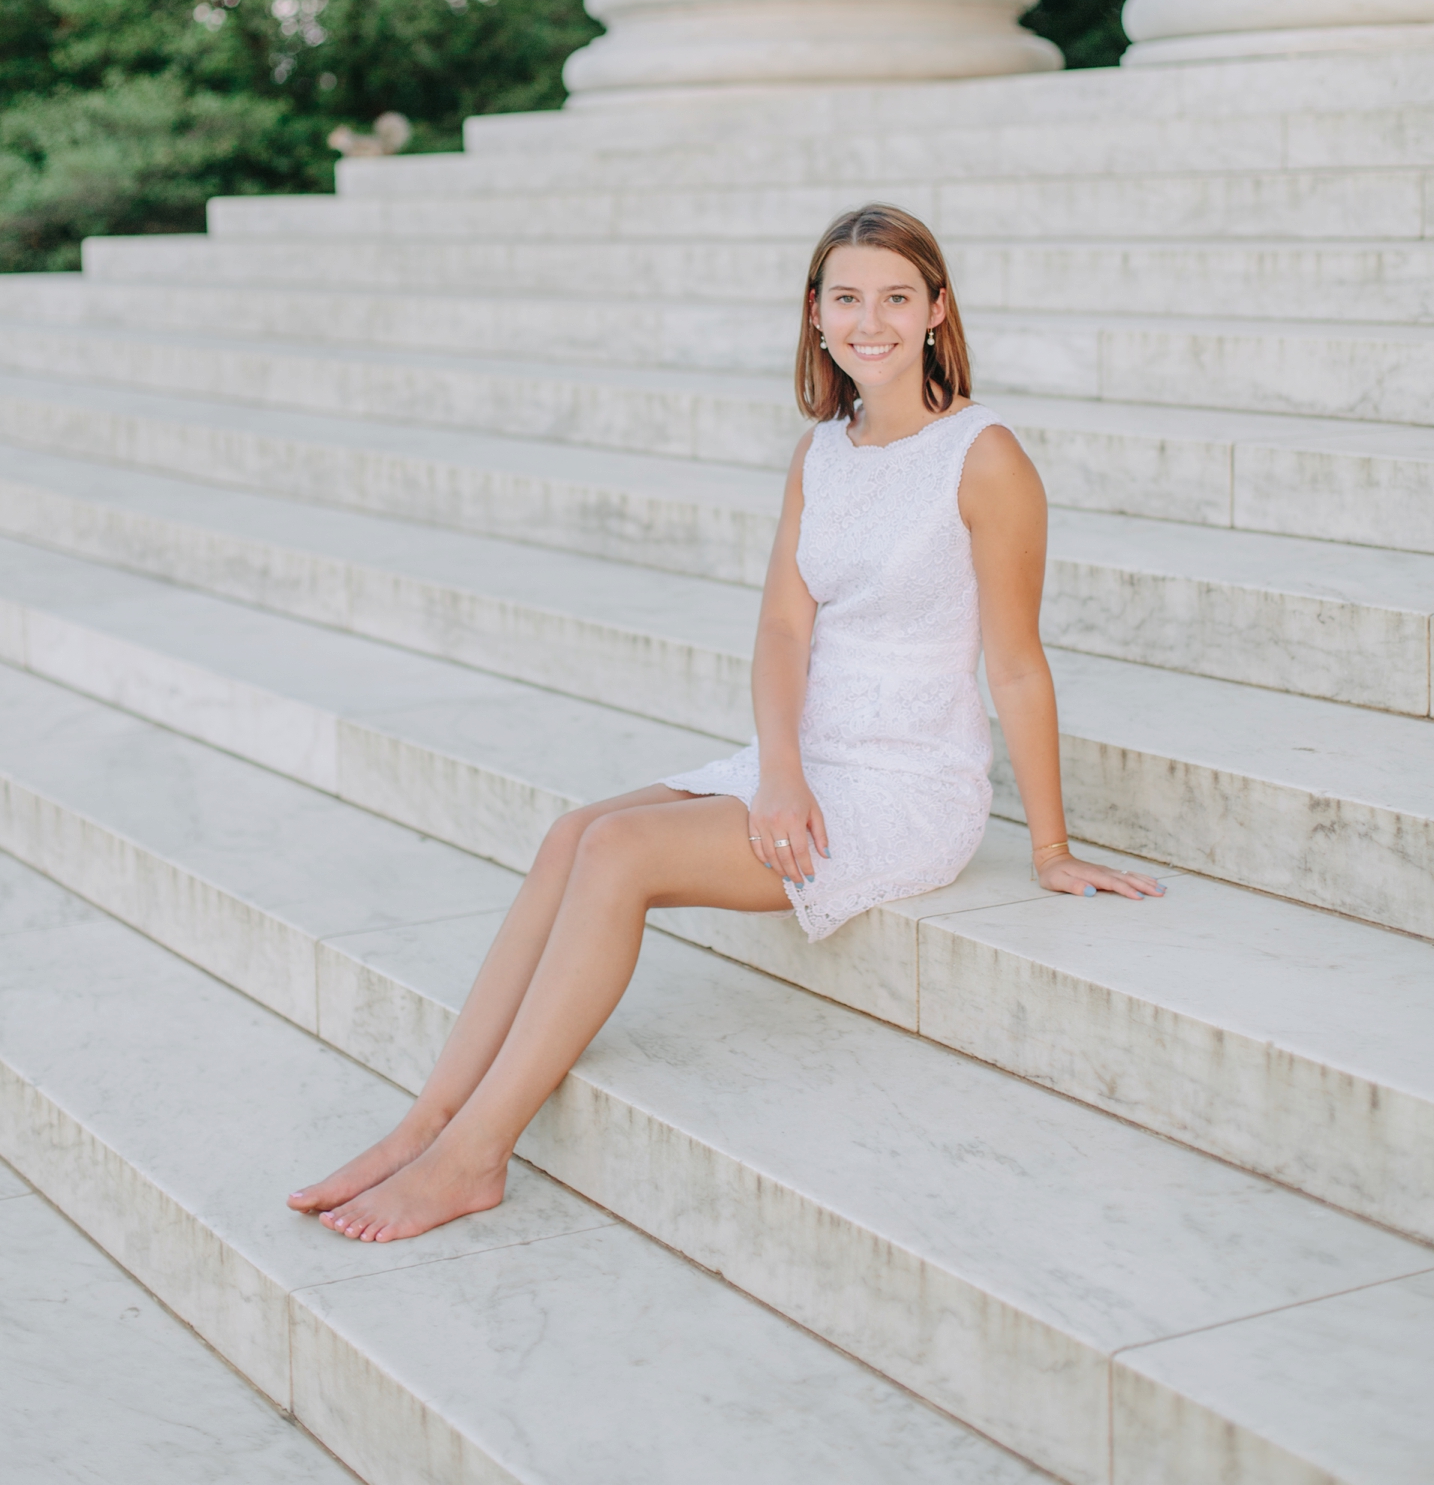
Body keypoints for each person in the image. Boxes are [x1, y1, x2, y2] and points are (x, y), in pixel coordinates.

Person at [289, 204, 1162, 1243]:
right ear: (816, 312)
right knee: (572, 833)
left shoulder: (984, 456)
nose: (868, 320)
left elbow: (1016, 666)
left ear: (936, 311)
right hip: (805, 757)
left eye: (895, 297)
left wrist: (1052, 848)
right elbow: (783, 630)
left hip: (905, 785)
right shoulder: (822, 451)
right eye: (847, 298)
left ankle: (475, 1158)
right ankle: (425, 1123)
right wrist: (779, 772)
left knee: (618, 854)